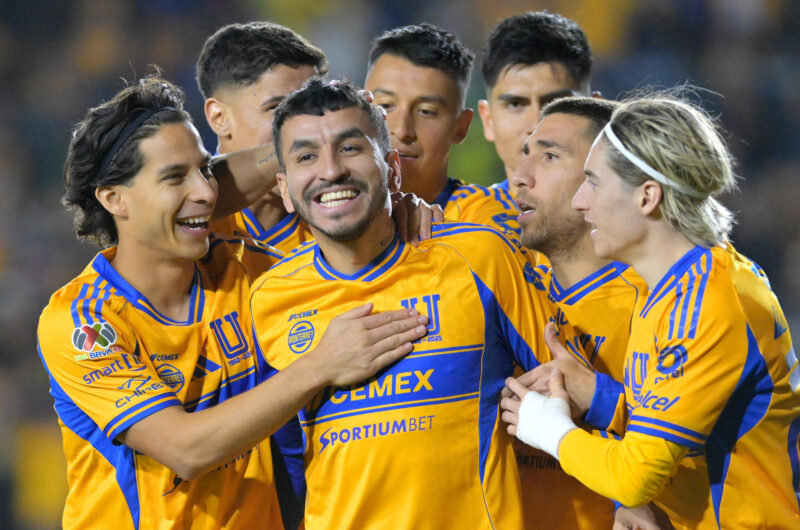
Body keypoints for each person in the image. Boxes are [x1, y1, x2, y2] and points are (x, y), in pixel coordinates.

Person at [37, 75, 429, 529]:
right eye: (173, 177)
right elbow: (187, 450)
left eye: (205, 169)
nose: (206, 192)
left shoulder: (252, 274)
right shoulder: (83, 322)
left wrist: (393, 213)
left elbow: (354, 268)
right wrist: (319, 366)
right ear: (113, 198)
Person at [250, 78, 583, 529]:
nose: (330, 171)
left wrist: (632, 497)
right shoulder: (268, 297)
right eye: (306, 156)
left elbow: (574, 388)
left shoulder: (479, 257)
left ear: (391, 170)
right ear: (286, 189)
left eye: (350, 149)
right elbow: (289, 463)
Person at [501, 93, 800, 529]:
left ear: (647, 197)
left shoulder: (709, 304)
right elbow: (694, 421)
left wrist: (549, 430)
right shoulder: (673, 285)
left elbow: (633, 478)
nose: (582, 202)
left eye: (595, 183)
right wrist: (599, 395)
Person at [510, 96, 647, 529]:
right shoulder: (503, 284)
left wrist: (602, 399)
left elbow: (705, 442)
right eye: (525, 155)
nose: (520, 178)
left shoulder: (663, 301)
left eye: (550, 156)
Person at [364, 23, 521, 242]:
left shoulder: (491, 225)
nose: (402, 129)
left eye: (426, 112)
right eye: (386, 106)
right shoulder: (317, 211)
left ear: (461, 127)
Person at [196, 21, 327, 252]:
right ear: (219, 118)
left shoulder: (343, 219)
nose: (308, 125)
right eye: (278, 108)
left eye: (316, 106)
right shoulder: (181, 223)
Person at [478, 11, 594, 196]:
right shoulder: (457, 221)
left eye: (556, 103)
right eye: (515, 105)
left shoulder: (639, 218)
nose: (535, 126)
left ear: (596, 114)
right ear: (488, 120)